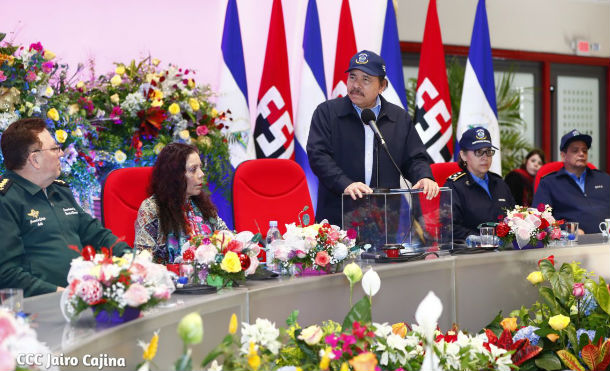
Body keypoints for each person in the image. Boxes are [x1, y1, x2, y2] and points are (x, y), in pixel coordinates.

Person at [306, 50, 438, 226]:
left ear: (382, 86)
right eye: (352, 77)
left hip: (384, 221)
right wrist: (345, 184)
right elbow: (318, 155)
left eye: (365, 79)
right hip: (338, 216)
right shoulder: (328, 113)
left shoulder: (398, 119)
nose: (356, 85)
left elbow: (415, 158)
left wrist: (424, 176)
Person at [0, 118, 130, 297]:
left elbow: (96, 234)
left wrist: (133, 260)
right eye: (54, 149)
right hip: (40, 307)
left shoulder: (60, 190)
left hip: (81, 297)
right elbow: (7, 273)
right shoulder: (6, 199)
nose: (61, 154)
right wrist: (63, 295)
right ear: (35, 159)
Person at [134, 143, 228, 264]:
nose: (201, 174)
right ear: (174, 175)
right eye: (193, 169)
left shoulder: (200, 203)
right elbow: (143, 261)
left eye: (200, 167)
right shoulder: (151, 208)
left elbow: (226, 237)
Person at [532, 129, 610, 234]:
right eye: (575, 150)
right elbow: (539, 218)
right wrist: (567, 229)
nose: (581, 154)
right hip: (572, 244)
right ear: (563, 156)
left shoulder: (604, 178)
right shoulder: (549, 183)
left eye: (584, 150)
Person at [445, 127, 516, 240]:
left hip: (505, 251)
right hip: (472, 252)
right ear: (463, 155)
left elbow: (514, 217)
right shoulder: (454, 186)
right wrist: (481, 238)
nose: (485, 157)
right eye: (478, 152)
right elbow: (450, 228)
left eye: (488, 152)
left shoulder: (499, 183)